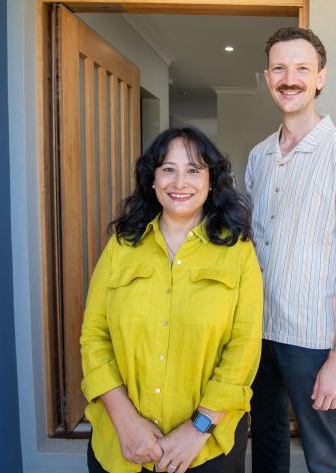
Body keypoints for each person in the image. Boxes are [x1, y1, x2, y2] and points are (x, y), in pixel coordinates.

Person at [81, 127, 263, 473]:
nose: (180, 182)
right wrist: (125, 421)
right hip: (122, 446)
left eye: (194, 170)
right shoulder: (121, 247)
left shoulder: (237, 252)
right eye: (168, 169)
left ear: (212, 181)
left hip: (206, 449)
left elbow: (244, 349)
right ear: (152, 180)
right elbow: (94, 336)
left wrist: (198, 429)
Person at [246, 27, 336, 472]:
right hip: (256, 332)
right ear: (267, 78)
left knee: (325, 452)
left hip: (312, 339)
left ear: (320, 78)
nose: (290, 78)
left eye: (302, 68)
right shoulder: (258, 157)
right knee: (265, 437)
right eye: (280, 68)